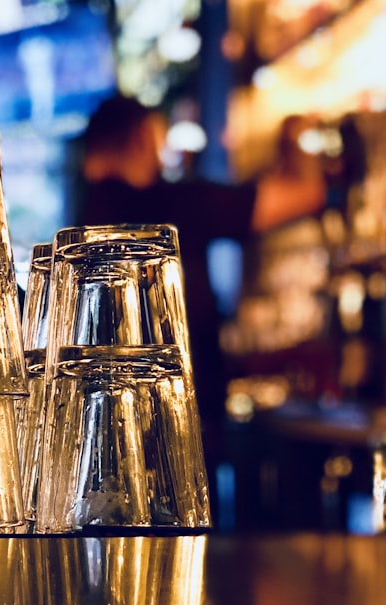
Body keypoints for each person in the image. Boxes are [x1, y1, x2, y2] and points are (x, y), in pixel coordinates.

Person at [73, 93, 327, 496]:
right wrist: (299, 135)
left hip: (99, 428)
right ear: (143, 137)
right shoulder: (168, 205)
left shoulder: (82, 217)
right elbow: (305, 194)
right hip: (178, 427)